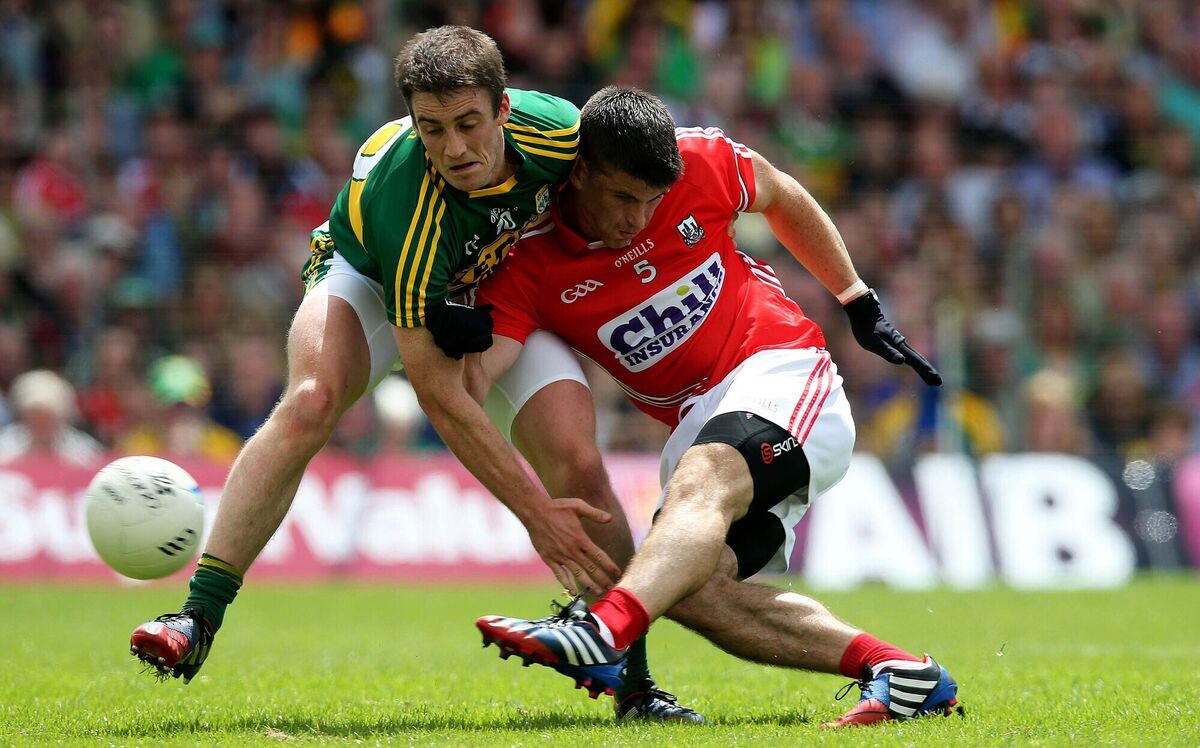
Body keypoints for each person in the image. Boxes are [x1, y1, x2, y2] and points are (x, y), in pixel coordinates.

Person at [128, 27, 697, 722]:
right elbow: (440, 397)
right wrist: (534, 517)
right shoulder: (409, 203)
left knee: (578, 462)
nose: (454, 148)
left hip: (492, 289)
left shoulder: (562, 134)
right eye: (432, 129)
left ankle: (635, 684)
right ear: (411, 121)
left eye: (467, 125)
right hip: (371, 276)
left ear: (504, 110)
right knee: (313, 399)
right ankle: (196, 619)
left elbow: (644, 171)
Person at [469, 87, 958, 728]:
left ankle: (603, 629)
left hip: (783, 372)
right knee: (691, 589)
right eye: (622, 198)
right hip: (701, 428)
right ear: (580, 170)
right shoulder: (528, 264)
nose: (637, 220)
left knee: (700, 484)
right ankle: (902, 672)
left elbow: (779, 192)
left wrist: (856, 298)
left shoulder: (700, 159)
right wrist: (430, 330)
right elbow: (475, 380)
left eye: (651, 202)